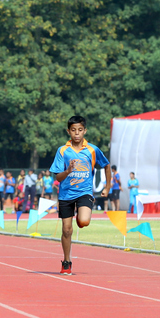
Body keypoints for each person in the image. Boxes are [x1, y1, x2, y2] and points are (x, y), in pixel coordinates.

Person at [50, 116, 111, 276]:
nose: (77, 133)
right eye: (73, 130)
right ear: (68, 131)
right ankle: (66, 261)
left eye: (80, 130)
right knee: (66, 230)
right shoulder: (62, 151)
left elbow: (106, 165)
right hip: (66, 194)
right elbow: (58, 177)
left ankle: (80, 215)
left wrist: (108, 186)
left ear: (85, 131)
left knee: (83, 221)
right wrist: (68, 171)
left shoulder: (92, 149)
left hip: (84, 192)